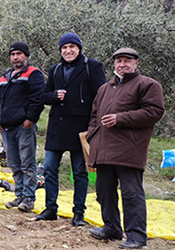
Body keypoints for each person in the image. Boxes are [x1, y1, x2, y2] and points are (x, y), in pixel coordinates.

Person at [86, 48, 164, 249]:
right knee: (104, 191)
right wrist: (92, 136)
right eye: (119, 61)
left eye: (127, 61)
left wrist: (120, 119)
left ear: (136, 63)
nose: (122, 64)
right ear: (114, 64)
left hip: (129, 150)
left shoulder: (147, 85)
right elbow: (94, 115)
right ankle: (111, 228)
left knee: (131, 194)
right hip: (103, 149)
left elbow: (154, 111)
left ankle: (136, 236)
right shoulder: (105, 88)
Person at [34, 33, 106, 226]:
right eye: (64, 48)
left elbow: (101, 97)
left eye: (72, 47)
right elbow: (43, 96)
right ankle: (50, 209)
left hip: (80, 130)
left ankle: (79, 213)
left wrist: (95, 126)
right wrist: (54, 96)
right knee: (49, 169)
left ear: (79, 48)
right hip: (56, 128)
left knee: (80, 172)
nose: (68, 51)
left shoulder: (92, 67)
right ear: (60, 50)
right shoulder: (55, 69)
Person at [0, 41, 45, 213]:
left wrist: (31, 118)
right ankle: (20, 195)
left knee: (27, 163)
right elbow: (0, 101)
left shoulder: (33, 74)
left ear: (26, 56)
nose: (15, 57)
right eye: (13, 54)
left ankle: (29, 198)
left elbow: (38, 98)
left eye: (19, 54)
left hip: (24, 126)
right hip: (6, 128)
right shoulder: (4, 77)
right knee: (14, 164)